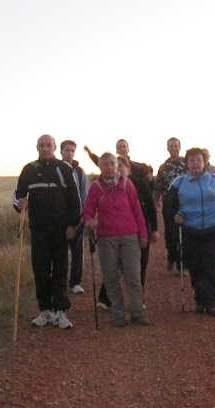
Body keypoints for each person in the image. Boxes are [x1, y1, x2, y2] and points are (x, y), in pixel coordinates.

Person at [12, 134, 81, 329]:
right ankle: (45, 311)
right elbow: (18, 195)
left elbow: (74, 199)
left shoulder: (63, 169)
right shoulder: (29, 170)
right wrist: (20, 204)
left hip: (60, 229)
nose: (45, 148)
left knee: (60, 270)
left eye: (49, 145)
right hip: (39, 229)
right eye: (42, 145)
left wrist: (72, 224)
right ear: (37, 147)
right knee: (41, 270)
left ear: (54, 147)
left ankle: (60, 312)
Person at [164, 148, 215, 316]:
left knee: (210, 265)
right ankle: (199, 299)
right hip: (190, 229)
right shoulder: (178, 183)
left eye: (199, 160)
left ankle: (211, 303)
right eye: (192, 160)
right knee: (195, 266)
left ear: (204, 162)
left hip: (214, 228)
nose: (196, 163)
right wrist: (175, 216)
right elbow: (169, 207)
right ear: (187, 164)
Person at [83, 152, 150, 327]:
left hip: (130, 237)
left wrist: (143, 235)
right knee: (111, 277)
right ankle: (119, 313)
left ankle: (137, 312)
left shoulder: (127, 185)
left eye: (112, 163)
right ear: (100, 166)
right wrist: (89, 221)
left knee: (133, 275)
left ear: (117, 165)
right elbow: (88, 210)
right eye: (105, 164)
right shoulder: (96, 188)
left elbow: (137, 211)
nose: (110, 167)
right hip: (106, 238)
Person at [97, 156, 159, 308]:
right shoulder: (105, 186)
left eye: (121, 166)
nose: (118, 169)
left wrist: (155, 229)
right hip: (117, 232)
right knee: (114, 265)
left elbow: (150, 207)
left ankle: (138, 300)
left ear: (129, 169)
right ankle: (106, 298)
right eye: (116, 166)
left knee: (139, 266)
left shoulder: (140, 184)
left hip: (141, 229)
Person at [153, 137, 188, 272]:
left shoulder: (187, 163)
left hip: (185, 202)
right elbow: (158, 186)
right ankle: (171, 256)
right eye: (171, 146)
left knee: (185, 234)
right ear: (167, 148)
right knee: (171, 234)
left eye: (175, 146)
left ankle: (182, 265)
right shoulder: (163, 166)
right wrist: (156, 200)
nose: (173, 148)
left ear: (180, 147)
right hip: (169, 203)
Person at [60, 140, 90, 294]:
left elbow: (85, 195)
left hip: (77, 219)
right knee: (61, 253)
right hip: (59, 220)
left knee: (77, 251)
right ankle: (61, 282)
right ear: (61, 152)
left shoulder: (80, 172)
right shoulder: (56, 170)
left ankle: (76, 282)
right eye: (67, 150)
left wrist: (85, 216)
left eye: (72, 150)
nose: (70, 153)